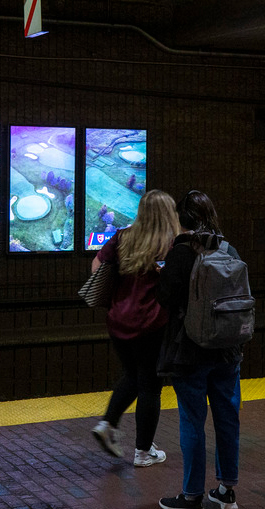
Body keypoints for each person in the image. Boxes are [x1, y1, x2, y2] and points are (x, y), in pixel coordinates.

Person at [158, 190, 243, 509]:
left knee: (193, 420)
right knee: (227, 419)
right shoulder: (228, 249)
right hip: (227, 350)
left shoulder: (181, 253)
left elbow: (166, 298)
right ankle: (226, 491)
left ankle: (191, 496)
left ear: (182, 220)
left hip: (191, 351)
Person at [91, 189, 181, 467]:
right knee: (151, 387)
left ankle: (107, 425)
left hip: (118, 320)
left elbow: (97, 266)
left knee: (132, 375)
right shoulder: (171, 243)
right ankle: (143, 452)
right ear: (168, 214)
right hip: (152, 323)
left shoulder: (123, 236)